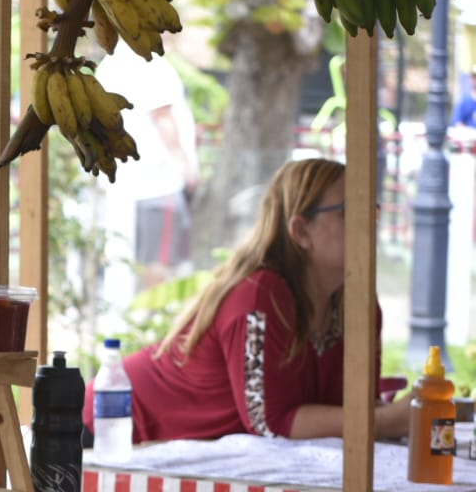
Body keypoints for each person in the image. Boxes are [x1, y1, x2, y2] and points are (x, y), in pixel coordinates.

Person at [83, 157, 412, 443]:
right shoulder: (261, 294)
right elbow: (271, 423)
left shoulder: (360, 305)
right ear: (301, 231)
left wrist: (408, 410)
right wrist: (387, 420)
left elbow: (350, 412)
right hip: (111, 431)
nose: (370, 224)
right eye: (349, 212)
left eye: (372, 209)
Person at [94, 48, 199, 293]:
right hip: (158, 184)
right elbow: (162, 116)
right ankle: (155, 312)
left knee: (127, 262)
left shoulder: (110, 64)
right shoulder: (151, 64)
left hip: (122, 184)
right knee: (159, 264)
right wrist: (185, 165)